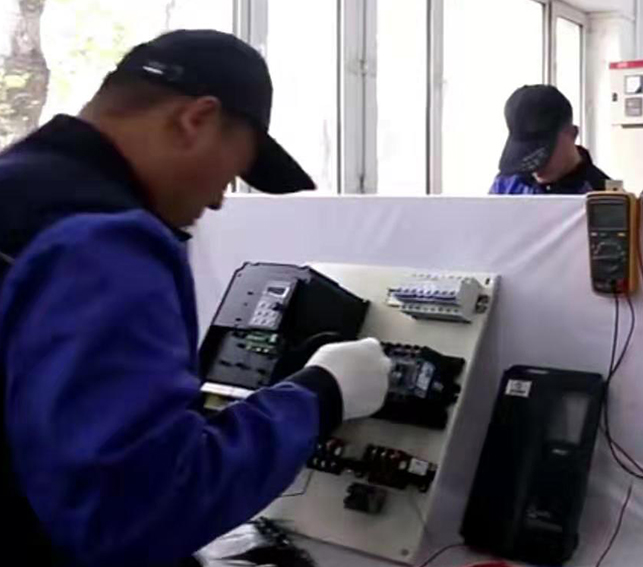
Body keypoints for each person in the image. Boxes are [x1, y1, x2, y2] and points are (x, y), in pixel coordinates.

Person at [0, 30, 392, 567]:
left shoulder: (21, 194)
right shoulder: (105, 242)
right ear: (196, 120)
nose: (218, 200)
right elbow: (139, 509)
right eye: (230, 173)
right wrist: (321, 395)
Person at [489, 84, 611, 195]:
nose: (535, 167)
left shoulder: (603, 197)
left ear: (572, 134)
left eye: (542, 151)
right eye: (524, 152)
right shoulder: (505, 185)